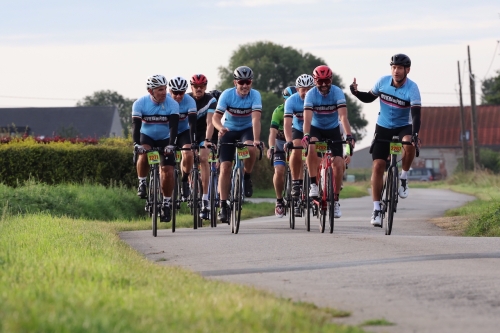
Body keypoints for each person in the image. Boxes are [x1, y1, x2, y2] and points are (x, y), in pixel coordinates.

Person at [350, 53, 421, 227]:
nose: (396, 71)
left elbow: (416, 114)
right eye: (393, 67)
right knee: (378, 166)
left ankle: (403, 177)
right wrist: (356, 92)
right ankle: (376, 209)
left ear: (407, 70)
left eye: (400, 68)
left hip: (403, 125)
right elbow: (369, 97)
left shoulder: (412, 88)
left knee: (409, 141)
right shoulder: (382, 82)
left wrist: (415, 134)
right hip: (383, 127)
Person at [301, 65, 356, 219]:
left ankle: (336, 199)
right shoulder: (311, 95)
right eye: (320, 81)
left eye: (327, 81)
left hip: (332, 129)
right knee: (311, 147)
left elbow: (343, 117)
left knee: (338, 163)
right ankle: (313, 184)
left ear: (331, 80)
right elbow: (307, 118)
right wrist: (305, 134)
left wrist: (349, 135)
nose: (324, 85)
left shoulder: (337, 92)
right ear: (315, 81)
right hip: (316, 128)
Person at [212, 65, 262, 223]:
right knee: (225, 167)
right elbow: (215, 118)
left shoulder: (255, 95)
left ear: (251, 83)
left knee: (251, 149)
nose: (245, 85)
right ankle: (223, 205)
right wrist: (221, 129)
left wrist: (256, 139)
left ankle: (246, 176)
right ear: (235, 82)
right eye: (242, 82)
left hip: (246, 129)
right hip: (229, 130)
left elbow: (255, 119)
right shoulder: (227, 95)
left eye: (248, 82)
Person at [132, 74, 179, 222]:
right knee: (144, 153)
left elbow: (173, 127)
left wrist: (171, 144)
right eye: (160, 89)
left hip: (165, 138)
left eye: (165, 88)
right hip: (147, 136)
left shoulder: (172, 104)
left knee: (168, 171)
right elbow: (136, 127)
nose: (164, 92)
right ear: (150, 91)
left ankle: (166, 202)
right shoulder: (140, 103)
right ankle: (142, 182)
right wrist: (136, 144)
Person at [187, 74, 218, 220]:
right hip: (188, 132)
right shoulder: (186, 99)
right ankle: (187, 182)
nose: (199, 89)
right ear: (191, 87)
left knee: (204, 158)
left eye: (202, 87)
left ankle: (205, 198)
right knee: (187, 156)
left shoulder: (211, 100)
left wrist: (207, 140)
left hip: (203, 132)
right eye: (196, 86)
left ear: (205, 87)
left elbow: (210, 122)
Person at [284, 74, 315, 216]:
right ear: (297, 89)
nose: (306, 92)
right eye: (303, 89)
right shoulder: (291, 101)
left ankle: (316, 187)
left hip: (315, 127)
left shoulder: (317, 98)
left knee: (315, 153)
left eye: (309, 89)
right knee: (296, 149)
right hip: (297, 129)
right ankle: (296, 182)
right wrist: (289, 140)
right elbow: (286, 123)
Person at [267, 86, 297, 217]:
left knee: (300, 165)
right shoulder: (279, 111)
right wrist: (271, 147)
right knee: (279, 171)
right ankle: (279, 200)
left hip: (295, 143)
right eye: (288, 100)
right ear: (284, 100)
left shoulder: (301, 109)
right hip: (280, 143)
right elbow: (272, 133)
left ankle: (299, 194)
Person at [168, 76, 197, 200]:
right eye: (175, 93)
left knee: (188, 154)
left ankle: (185, 180)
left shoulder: (190, 101)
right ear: (170, 91)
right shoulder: (165, 101)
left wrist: (194, 141)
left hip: (184, 131)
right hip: (167, 132)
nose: (179, 96)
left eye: (182, 93)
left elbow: (192, 124)